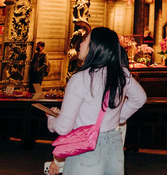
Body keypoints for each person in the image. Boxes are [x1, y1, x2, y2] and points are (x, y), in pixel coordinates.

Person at [45, 27, 147, 175]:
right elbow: (140, 98)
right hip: (114, 147)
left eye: (86, 39)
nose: (80, 44)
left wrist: (51, 120)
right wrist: (118, 117)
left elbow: (63, 128)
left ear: (95, 46)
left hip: (86, 150)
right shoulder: (122, 75)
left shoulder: (81, 78)